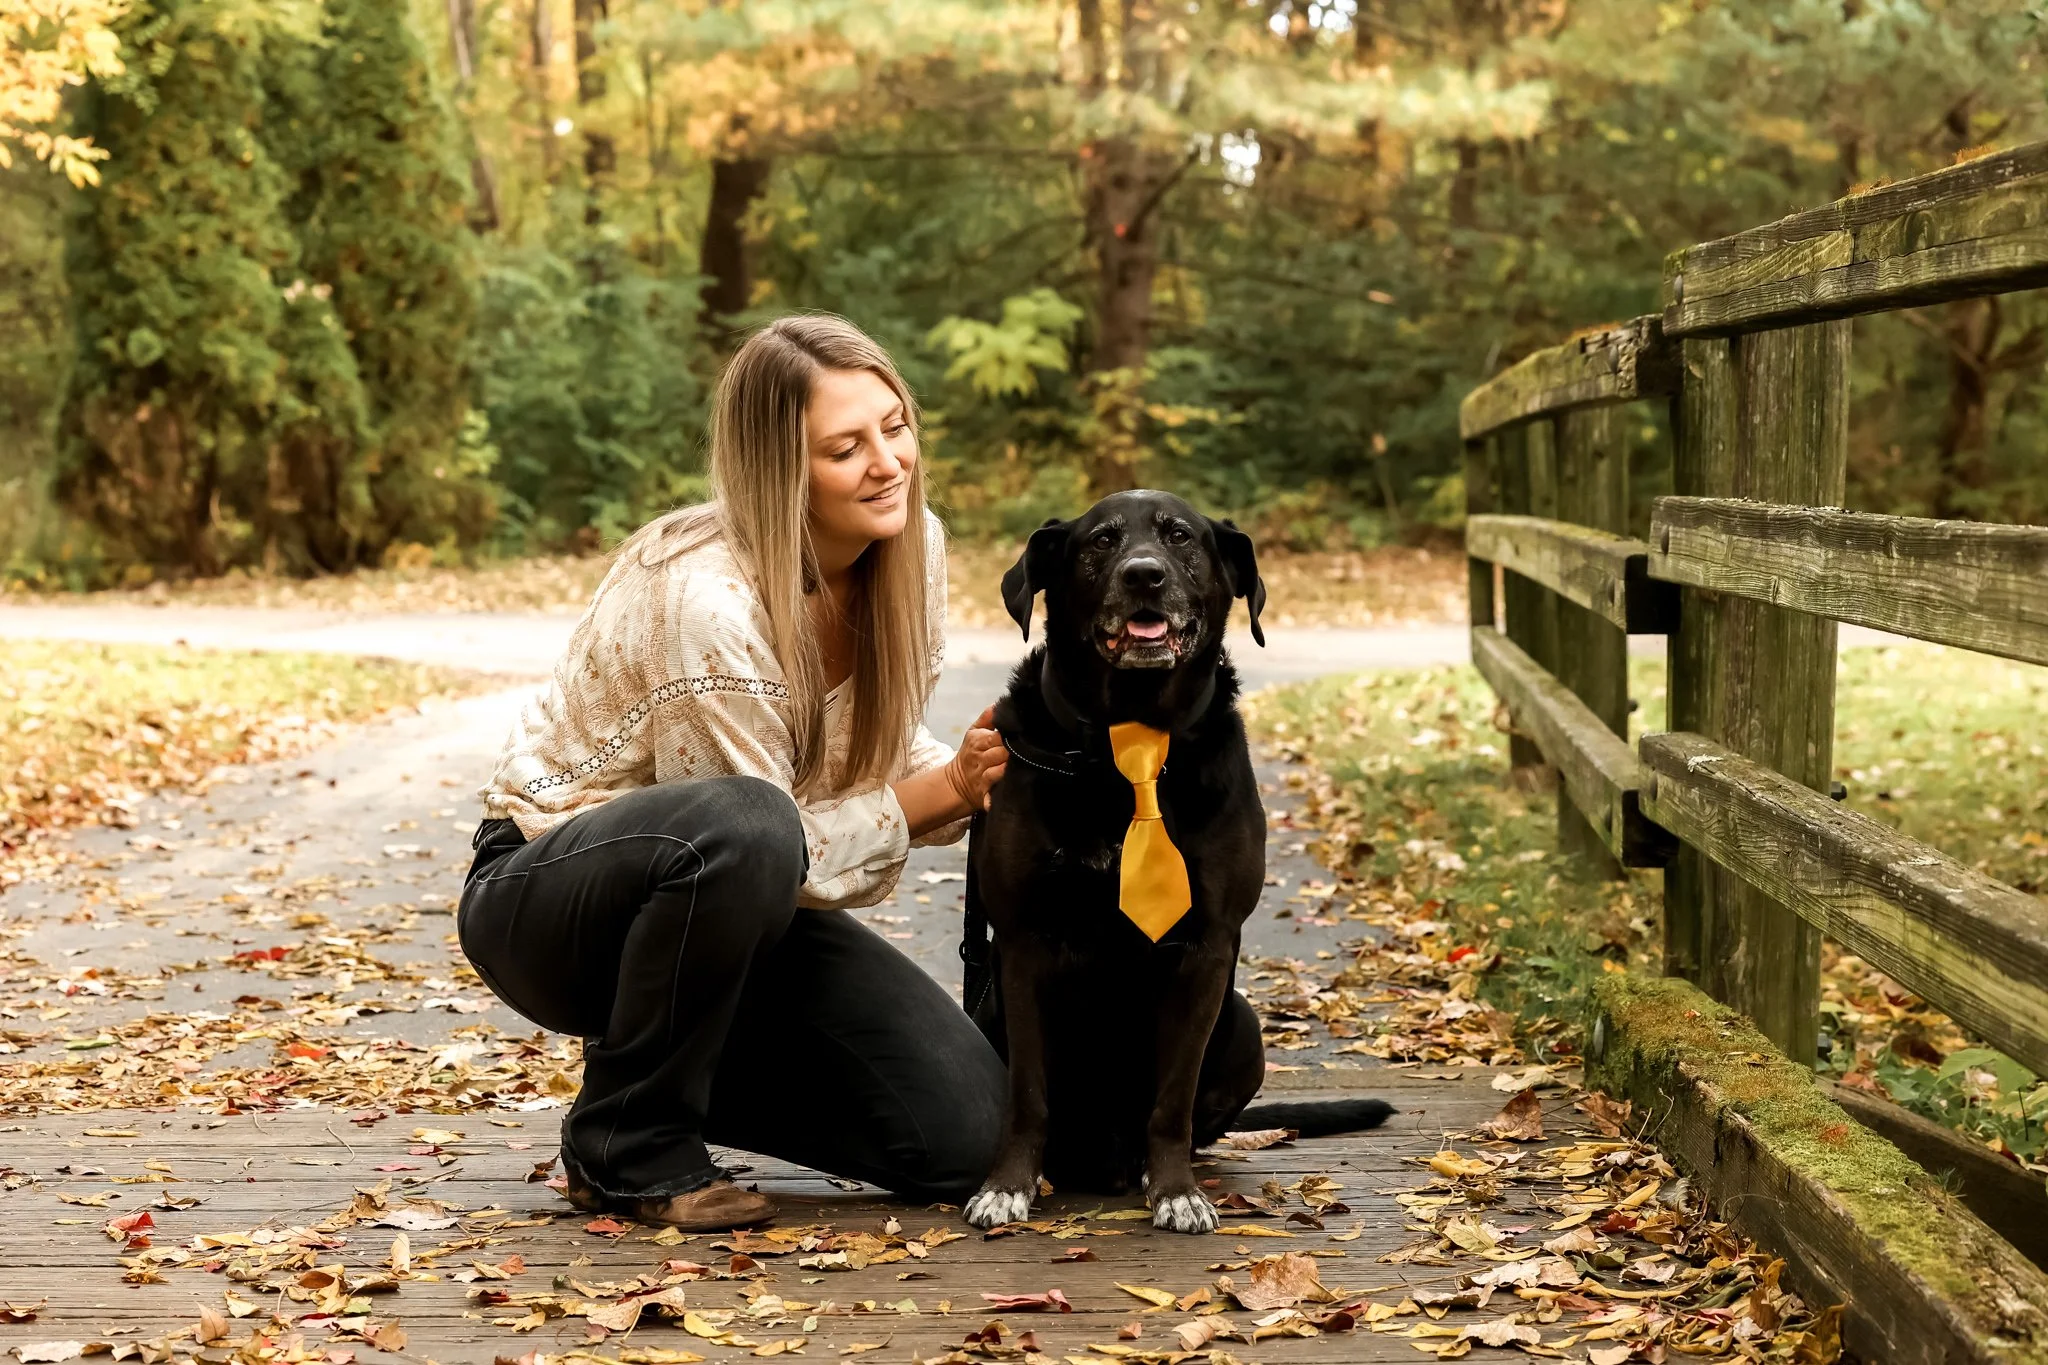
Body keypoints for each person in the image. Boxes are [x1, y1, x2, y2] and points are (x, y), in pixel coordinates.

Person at [461, 314, 1012, 1230]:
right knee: (746, 827)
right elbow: (764, 832)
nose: (889, 463)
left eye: (896, 425)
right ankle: (626, 1141)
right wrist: (932, 798)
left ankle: (673, 1060)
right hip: (551, 895)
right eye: (847, 447)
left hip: (731, 907)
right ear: (781, 471)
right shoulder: (704, 595)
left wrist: (980, 769)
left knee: (965, 1138)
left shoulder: (910, 549)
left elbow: (858, 754)